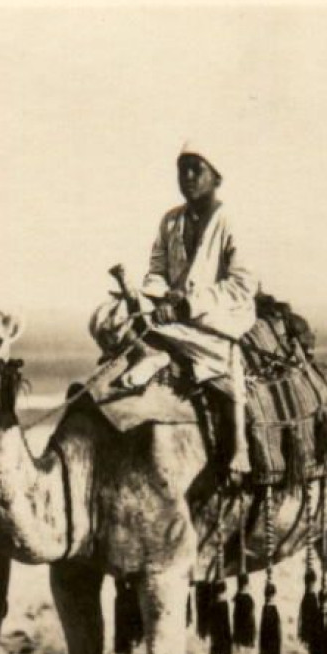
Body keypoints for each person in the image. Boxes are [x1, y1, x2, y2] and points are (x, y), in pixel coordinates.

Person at [94, 141, 255, 477]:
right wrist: (155, 295)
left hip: (219, 315)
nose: (189, 176)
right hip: (168, 312)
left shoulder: (232, 221)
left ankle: (239, 447)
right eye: (183, 169)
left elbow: (241, 285)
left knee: (227, 367)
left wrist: (187, 303)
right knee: (106, 317)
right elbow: (156, 272)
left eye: (198, 169)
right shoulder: (170, 221)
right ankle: (154, 351)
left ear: (216, 177)